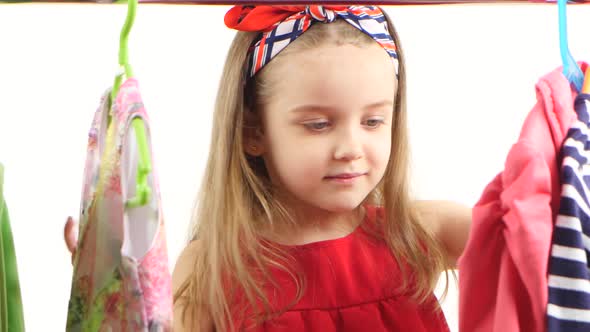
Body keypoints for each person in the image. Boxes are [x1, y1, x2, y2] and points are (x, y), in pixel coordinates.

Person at [65, 5, 472, 331]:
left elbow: (529, 240)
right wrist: (114, 286)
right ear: (252, 131)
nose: (351, 148)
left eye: (373, 121)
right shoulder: (215, 265)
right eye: (318, 124)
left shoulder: (417, 231)